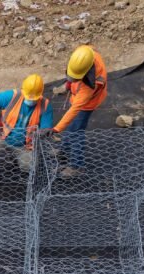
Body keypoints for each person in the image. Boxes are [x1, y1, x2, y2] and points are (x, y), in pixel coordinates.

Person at [0, 73, 53, 184]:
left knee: (28, 167)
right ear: (23, 90)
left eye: (34, 99)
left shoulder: (45, 105)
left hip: (25, 145)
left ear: (40, 94)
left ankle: (18, 161)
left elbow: (46, 127)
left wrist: (44, 132)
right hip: (2, 135)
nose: (31, 100)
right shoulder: (13, 96)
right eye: (28, 96)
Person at [50, 45, 108, 176]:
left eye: (75, 78)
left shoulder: (90, 86)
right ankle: (63, 150)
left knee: (76, 132)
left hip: (86, 105)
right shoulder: (84, 53)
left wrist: (55, 129)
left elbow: (76, 108)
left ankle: (77, 166)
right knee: (70, 126)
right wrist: (69, 84)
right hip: (78, 96)